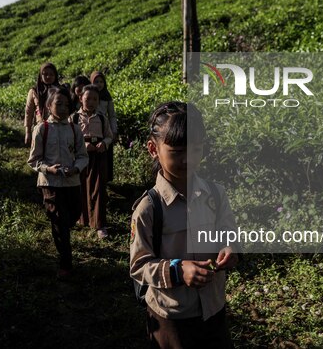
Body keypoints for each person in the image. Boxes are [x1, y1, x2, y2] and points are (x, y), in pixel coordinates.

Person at [130, 101, 239, 348]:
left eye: (195, 149)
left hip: (213, 307)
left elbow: (229, 233)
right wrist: (178, 271)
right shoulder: (149, 208)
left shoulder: (216, 194)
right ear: (153, 149)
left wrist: (231, 249)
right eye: (177, 151)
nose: (188, 159)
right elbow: (139, 266)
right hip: (171, 315)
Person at [27, 87, 88, 279]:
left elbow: (82, 156)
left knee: (73, 215)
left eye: (66, 105)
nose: (62, 108)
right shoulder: (42, 129)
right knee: (59, 221)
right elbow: (34, 160)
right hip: (50, 183)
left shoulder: (74, 129)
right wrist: (48, 169)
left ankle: (64, 239)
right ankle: (65, 263)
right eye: (58, 104)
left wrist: (76, 168)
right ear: (48, 106)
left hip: (72, 181)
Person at [71, 86, 113, 239]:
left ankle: (100, 224)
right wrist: (82, 145)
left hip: (98, 155)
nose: (91, 102)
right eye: (88, 98)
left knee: (99, 188)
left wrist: (105, 144)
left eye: (95, 99)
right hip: (81, 156)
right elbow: (69, 138)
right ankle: (83, 219)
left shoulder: (102, 118)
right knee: (81, 186)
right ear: (81, 98)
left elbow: (109, 136)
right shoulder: (74, 118)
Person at [90, 71, 118, 181]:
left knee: (105, 156)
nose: (99, 84)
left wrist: (114, 130)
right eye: (96, 81)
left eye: (101, 81)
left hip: (104, 129)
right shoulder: (88, 94)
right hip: (91, 127)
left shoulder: (107, 96)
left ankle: (104, 180)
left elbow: (112, 115)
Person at [24, 62, 61, 145]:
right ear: (41, 76)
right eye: (45, 74)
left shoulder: (60, 91)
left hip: (57, 128)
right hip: (40, 128)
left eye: (51, 74)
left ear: (55, 76)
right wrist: (28, 132)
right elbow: (28, 112)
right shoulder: (34, 91)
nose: (48, 77)